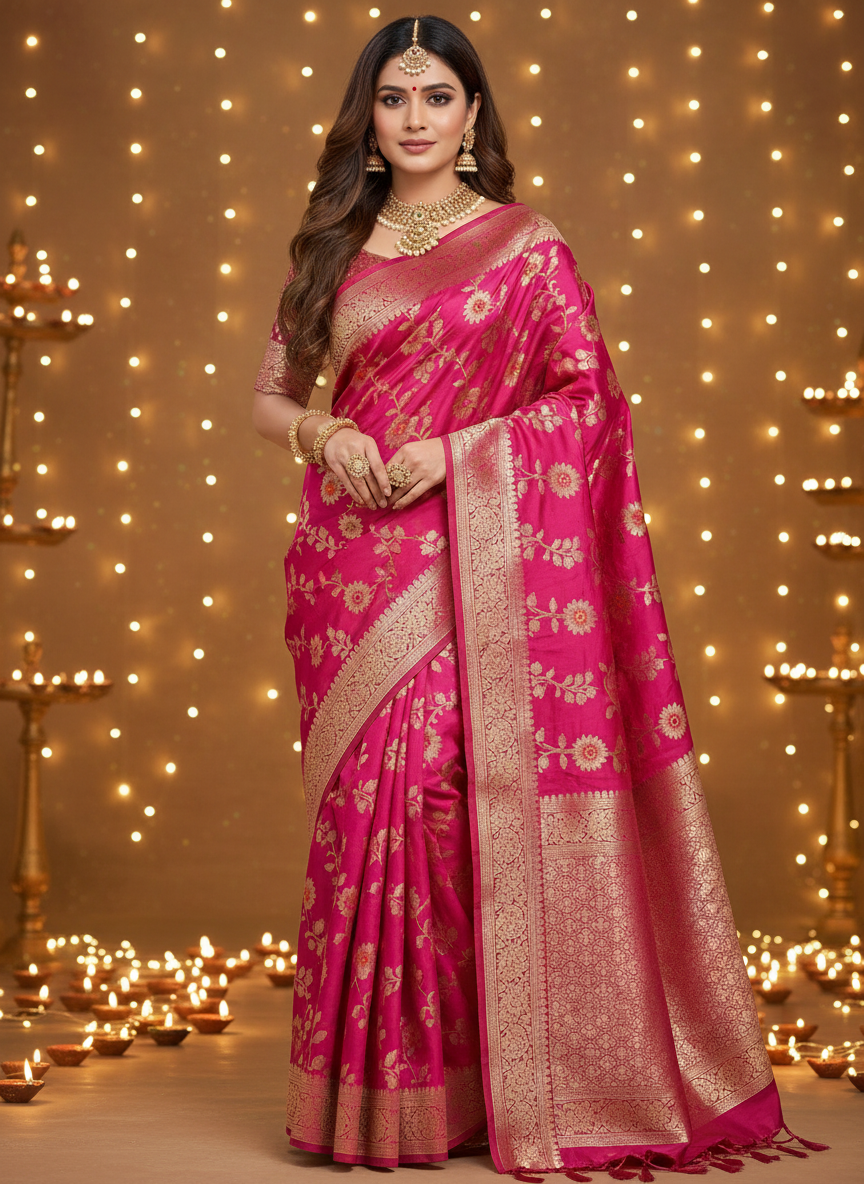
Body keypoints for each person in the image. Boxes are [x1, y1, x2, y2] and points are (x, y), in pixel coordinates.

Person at [252, 15, 826, 1178]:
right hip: (350, 561)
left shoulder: (527, 247)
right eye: (394, 99)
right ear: (368, 120)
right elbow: (273, 394)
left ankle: (470, 1085)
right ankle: (373, 1096)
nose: (414, 118)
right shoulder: (335, 244)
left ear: (473, 120)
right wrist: (324, 429)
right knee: (365, 812)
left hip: (470, 555)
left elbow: (587, 402)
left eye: (437, 98)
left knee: (438, 798)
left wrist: (458, 455)